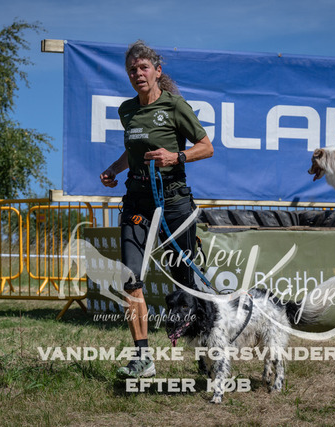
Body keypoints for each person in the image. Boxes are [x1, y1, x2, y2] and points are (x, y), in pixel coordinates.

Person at [99, 40, 214, 379]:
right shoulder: (127, 111)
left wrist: (176, 156)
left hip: (174, 203)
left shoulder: (175, 106)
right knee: (130, 278)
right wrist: (114, 169)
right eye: (132, 70)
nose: (138, 74)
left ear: (157, 71)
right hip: (137, 202)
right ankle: (142, 358)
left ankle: (204, 351)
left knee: (185, 283)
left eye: (143, 68)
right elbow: (133, 151)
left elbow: (206, 147)